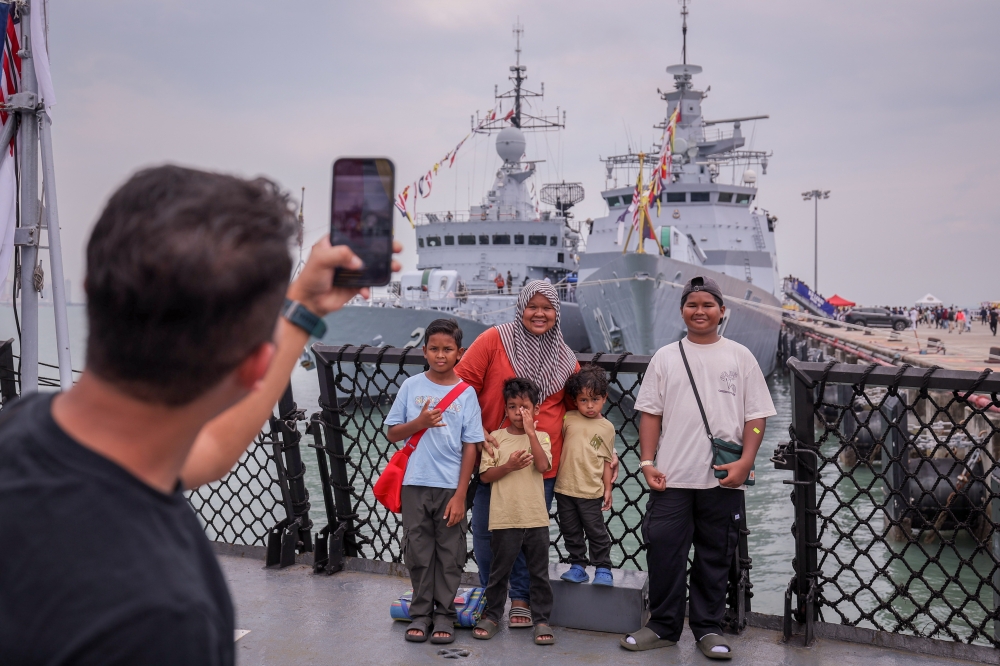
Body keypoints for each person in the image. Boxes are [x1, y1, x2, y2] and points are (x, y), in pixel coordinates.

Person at [0, 165, 402, 664]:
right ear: (257, 364)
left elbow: (206, 454)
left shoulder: (25, 423)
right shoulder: (163, 618)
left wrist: (302, 308)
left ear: (92, 287)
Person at [620, 276, 775, 660]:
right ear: (682, 311)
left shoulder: (740, 356)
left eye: (708, 305)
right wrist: (646, 462)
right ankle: (662, 626)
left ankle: (708, 628)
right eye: (693, 305)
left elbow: (756, 416)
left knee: (714, 555)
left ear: (723, 311)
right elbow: (650, 414)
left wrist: (746, 461)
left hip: (723, 478)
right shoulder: (665, 357)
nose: (700, 311)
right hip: (671, 476)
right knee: (664, 552)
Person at [456, 280, 581, 628]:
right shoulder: (494, 339)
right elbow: (461, 384)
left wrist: (603, 454)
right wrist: (476, 430)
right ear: (521, 307)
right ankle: (491, 594)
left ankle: (521, 599)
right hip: (492, 455)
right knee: (484, 531)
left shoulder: (565, 358)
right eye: (533, 306)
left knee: (528, 534)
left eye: (548, 307)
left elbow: (576, 411)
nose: (540, 314)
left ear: (557, 312)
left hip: (539, 463)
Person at [384, 319, 484, 645]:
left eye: (448, 349)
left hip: (449, 486)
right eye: (434, 349)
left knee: (451, 550)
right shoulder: (411, 387)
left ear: (460, 353)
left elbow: (471, 445)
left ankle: (444, 613)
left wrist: (461, 493)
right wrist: (420, 422)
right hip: (414, 482)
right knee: (418, 548)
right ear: (423, 350)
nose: (441, 355)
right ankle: (421, 612)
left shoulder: (466, 394)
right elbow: (392, 433)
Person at [472, 378, 555, 646]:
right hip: (505, 517)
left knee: (539, 573)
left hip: (535, 518)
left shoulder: (541, 437)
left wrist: (531, 434)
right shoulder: (495, 438)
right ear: (505, 409)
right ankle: (494, 615)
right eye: (513, 407)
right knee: (499, 570)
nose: (520, 413)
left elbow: (543, 467)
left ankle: (542, 619)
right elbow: (485, 476)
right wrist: (508, 465)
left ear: (536, 410)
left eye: (525, 407)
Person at [555, 366, 616, 587]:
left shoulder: (607, 427)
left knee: (596, 531)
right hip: (564, 488)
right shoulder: (568, 418)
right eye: (583, 400)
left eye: (595, 399)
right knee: (570, 530)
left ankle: (603, 568)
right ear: (575, 400)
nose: (590, 406)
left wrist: (607, 489)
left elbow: (607, 460)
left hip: (591, 490)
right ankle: (578, 566)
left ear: (604, 398)